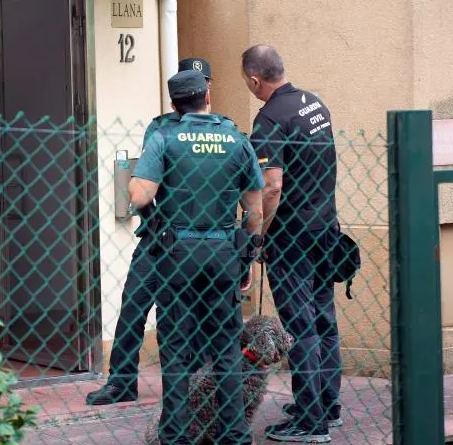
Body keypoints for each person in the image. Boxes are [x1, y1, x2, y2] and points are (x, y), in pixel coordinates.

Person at [85, 57, 241, 406]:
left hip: (207, 239)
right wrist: (154, 222)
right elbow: (144, 181)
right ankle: (122, 381)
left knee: (202, 313)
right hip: (162, 236)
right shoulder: (161, 128)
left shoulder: (225, 131)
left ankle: (200, 383)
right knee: (134, 305)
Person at [129, 69, 265, 444]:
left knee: (175, 347)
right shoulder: (235, 138)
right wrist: (248, 251)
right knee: (225, 346)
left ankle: (175, 435)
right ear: (207, 95)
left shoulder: (164, 136)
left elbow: (140, 196)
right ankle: (234, 434)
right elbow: (255, 209)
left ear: (174, 103)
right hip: (223, 251)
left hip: (178, 254)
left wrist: (136, 177)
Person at [240, 44, 342, 443]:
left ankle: (310, 422)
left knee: (301, 327)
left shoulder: (269, 120)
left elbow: (272, 186)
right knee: (323, 320)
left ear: (254, 79)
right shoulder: (314, 104)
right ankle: (326, 405)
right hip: (325, 230)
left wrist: (259, 234)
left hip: (293, 238)